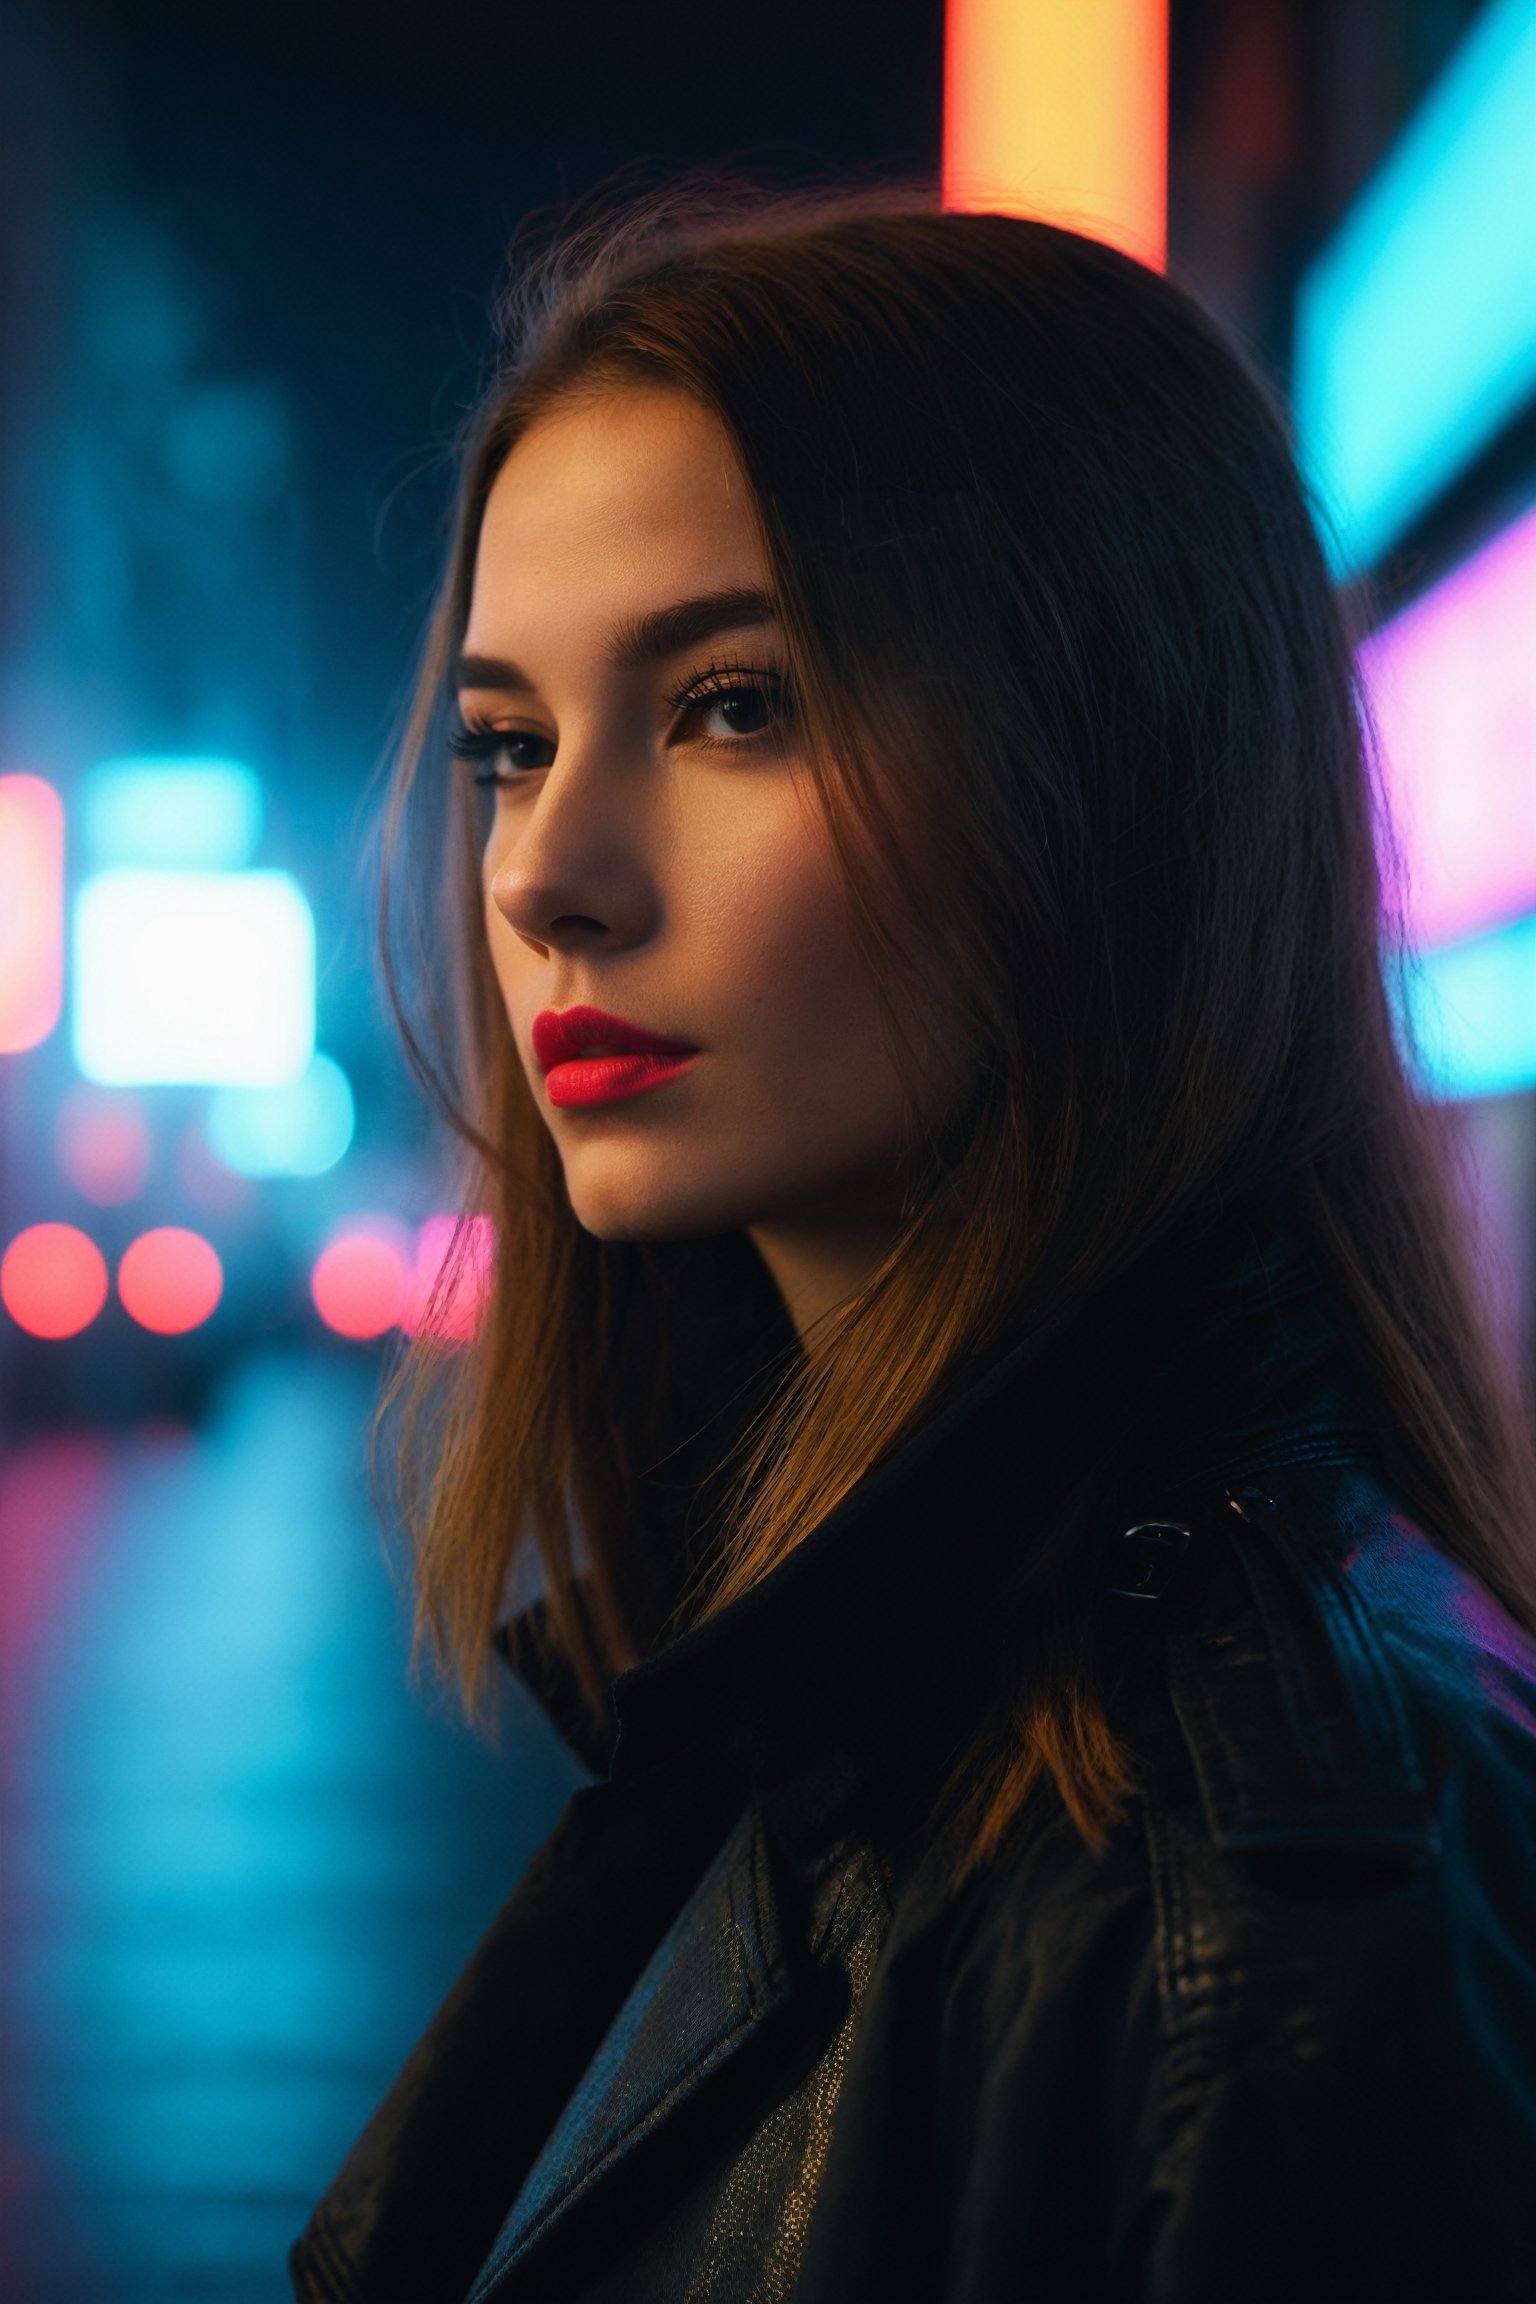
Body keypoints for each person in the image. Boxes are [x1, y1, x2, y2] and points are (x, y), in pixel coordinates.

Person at [289, 192, 1536, 2303]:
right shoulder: (849, 1686)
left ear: (1112, 768)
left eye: (735, 706)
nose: (551, 876)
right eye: (511, 743)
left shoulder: (1282, 1897)